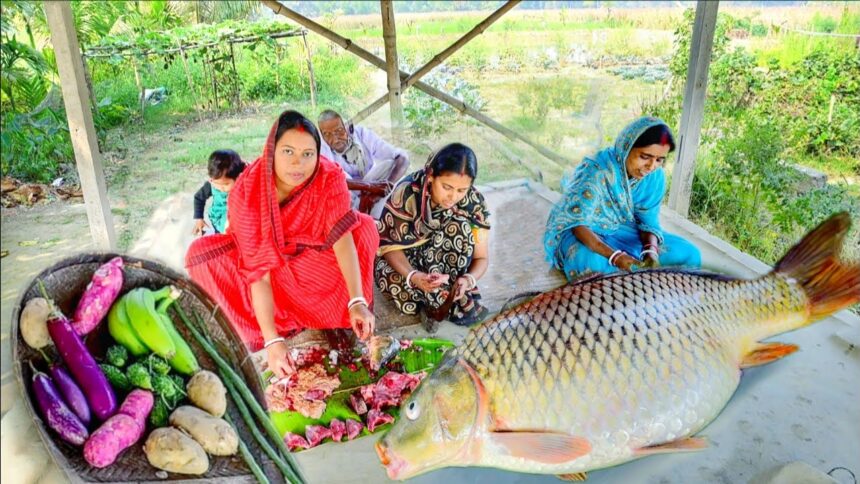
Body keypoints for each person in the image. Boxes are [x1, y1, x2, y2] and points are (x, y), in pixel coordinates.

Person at [185, 110, 379, 378]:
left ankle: (335, 314)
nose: (298, 164)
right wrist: (273, 342)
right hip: (269, 269)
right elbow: (259, 277)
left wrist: (357, 300)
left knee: (365, 228)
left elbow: (341, 238)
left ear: (318, 154)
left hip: (314, 259)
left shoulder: (328, 176)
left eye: (307, 154)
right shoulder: (247, 192)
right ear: (271, 151)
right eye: (288, 152)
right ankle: (279, 324)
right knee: (201, 255)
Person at [544, 116, 701, 281]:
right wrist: (615, 257)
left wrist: (651, 252)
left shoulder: (655, 176)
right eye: (645, 156)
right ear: (626, 147)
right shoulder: (597, 171)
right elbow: (578, 223)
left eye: (659, 159)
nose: (652, 166)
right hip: (587, 232)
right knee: (591, 264)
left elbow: (648, 222)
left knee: (690, 254)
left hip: (625, 230)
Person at [375, 143, 491, 332]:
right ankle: (430, 298)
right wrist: (414, 276)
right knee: (392, 280)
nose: (453, 196)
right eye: (446, 187)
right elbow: (389, 247)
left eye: (462, 190)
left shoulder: (474, 203)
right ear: (430, 177)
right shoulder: (406, 194)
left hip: (444, 269)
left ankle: (444, 290)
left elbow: (482, 258)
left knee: (460, 226)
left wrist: (468, 279)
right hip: (406, 260)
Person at [318, 109, 409, 218]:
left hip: (373, 188)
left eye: (339, 130)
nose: (334, 139)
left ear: (349, 127)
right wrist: (369, 187)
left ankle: (373, 206)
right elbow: (331, 180)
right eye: (327, 134)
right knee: (335, 178)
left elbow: (403, 158)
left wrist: (384, 187)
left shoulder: (362, 134)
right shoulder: (322, 147)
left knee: (390, 164)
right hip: (349, 196)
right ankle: (371, 213)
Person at [192, 149, 246, 236]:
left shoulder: (242, 183)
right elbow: (198, 198)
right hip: (217, 219)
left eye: (226, 184)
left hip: (235, 219)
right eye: (216, 183)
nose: (221, 188)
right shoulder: (211, 184)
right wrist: (199, 218)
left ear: (237, 177)